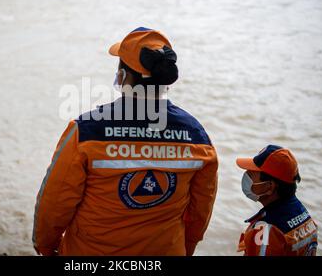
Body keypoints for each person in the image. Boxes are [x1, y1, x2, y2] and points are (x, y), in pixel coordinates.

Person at [32, 27, 218, 256]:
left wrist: (45, 245)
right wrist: (185, 248)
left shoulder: (86, 131)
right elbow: (201, 211)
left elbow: (55, 201)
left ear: (123, 76)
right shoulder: (197, 136)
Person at [236, 145, 318, 256]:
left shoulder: (266, 230)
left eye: (250, 174)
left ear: (269, 186)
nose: (246, 176)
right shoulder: (303, 214)